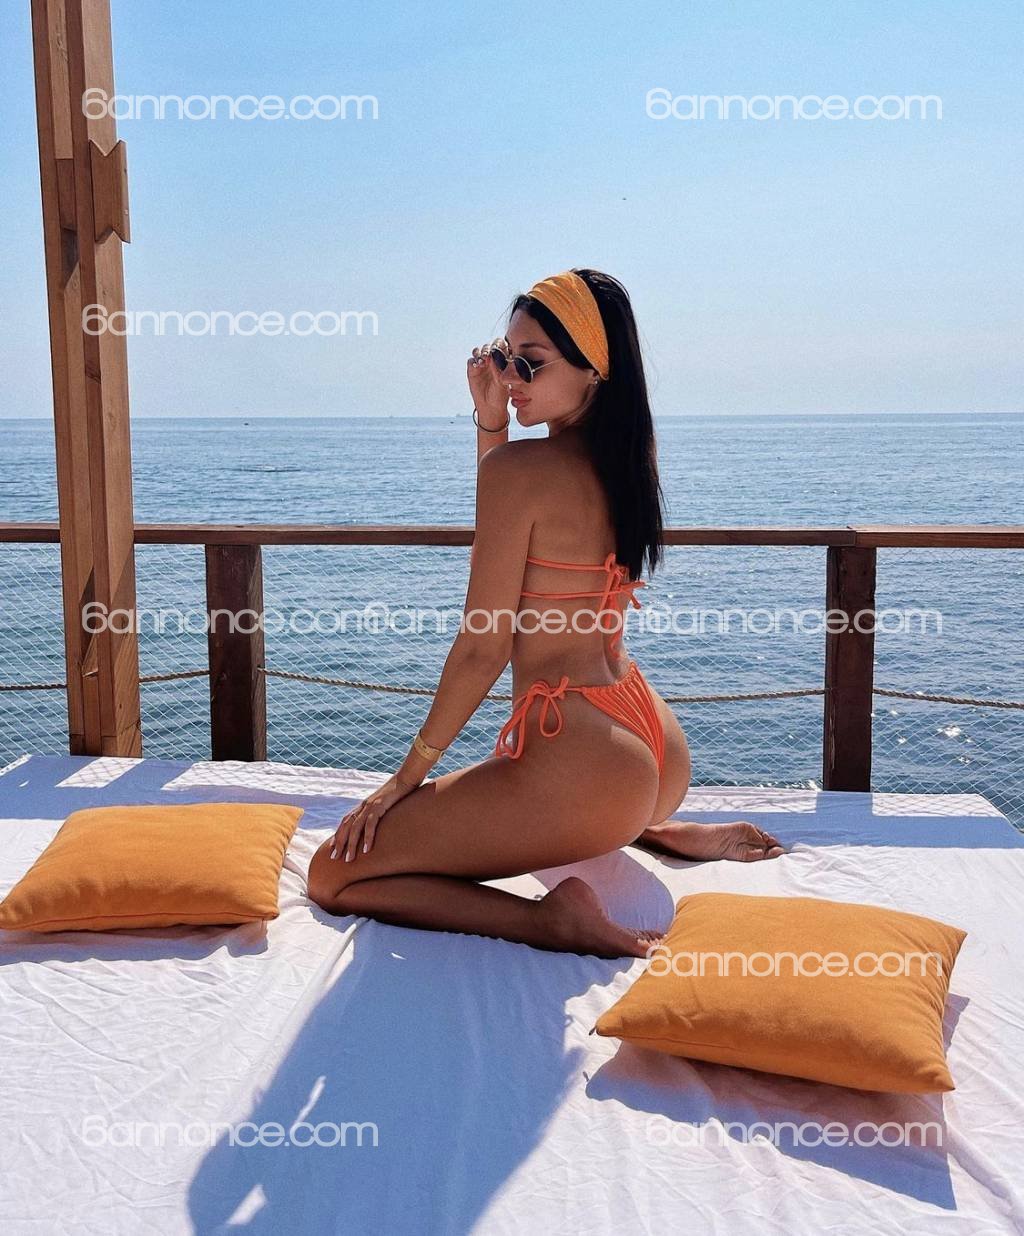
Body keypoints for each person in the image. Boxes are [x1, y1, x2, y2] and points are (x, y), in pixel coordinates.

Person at [307, 268, 783, 957]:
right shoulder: (628, 462)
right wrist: (493, 425)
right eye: (504, 358)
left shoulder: (521, 473)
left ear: (594, 370)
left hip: (591, 766)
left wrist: (402, 782)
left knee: (332, 874)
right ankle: (655, 830)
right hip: (650, 743)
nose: (510, 378)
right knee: (556, 803)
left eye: (530, 363)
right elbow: (524, 533)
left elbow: (484, 646)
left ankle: (551, 921)